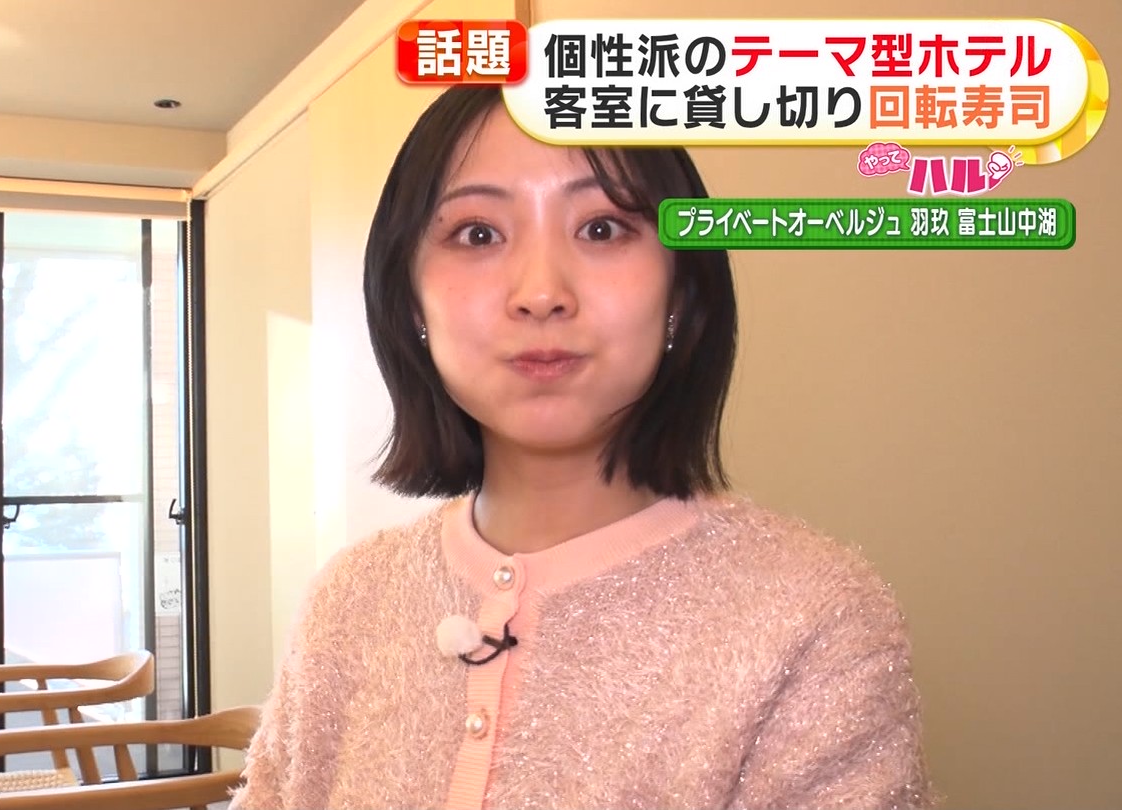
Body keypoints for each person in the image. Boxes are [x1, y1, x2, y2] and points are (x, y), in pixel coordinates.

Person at [229, 84, 938, 810]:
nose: (541, 293)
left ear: (680, 291)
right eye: (478, 234)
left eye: (602, 228)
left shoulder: (810, 616)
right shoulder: (348, 602)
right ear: (411, 300)